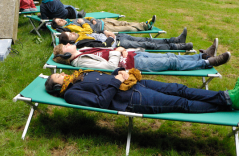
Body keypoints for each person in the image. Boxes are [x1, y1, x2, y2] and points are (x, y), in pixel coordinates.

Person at [45, 68, 239, 114]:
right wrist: (116, 80)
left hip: (135, 84)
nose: (62, 74)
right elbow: (101, 103)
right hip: (131, 98)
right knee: (181, 103)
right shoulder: (71, 93)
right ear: (57, 87)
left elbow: (104, 79)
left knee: (180, 89)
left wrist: (119, 72)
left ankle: (224, 97)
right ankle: (227, 103)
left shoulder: (80, 75)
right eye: (59, 77)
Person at [52, 38, 231, 72]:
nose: (68, 44)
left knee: (171, 58)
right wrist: (117, 51)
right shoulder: (81, 62)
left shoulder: (81, 51)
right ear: (66, 56)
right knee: (171, 63)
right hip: (132, 65)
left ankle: (202, 56)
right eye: (65, 46)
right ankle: (209, 63)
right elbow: (109, 67)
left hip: (132, 56)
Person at [59, 27, 193, 51]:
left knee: (146, 39)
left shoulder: (81, 34)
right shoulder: (81, 43)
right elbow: (103, 45)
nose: (71, 33)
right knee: (148, 44)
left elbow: (96, 31)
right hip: (117, 43)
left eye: (69, 32)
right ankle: (178, 47)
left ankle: (174, 40)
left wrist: (104, 31)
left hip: (118, 37)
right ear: (70, 41)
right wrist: (111, 37)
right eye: (69, 35)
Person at [51, 15, 156, 33]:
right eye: (59, 21)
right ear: (59, 26)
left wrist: (91, 19)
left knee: (124, 22)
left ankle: (145, 24)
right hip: (103, 27)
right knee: (127, 28)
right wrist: (83, 23)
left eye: (60, 19)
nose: (62, 20)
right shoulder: (70, 27)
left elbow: (85, 17)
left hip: (102, 21)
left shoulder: (70, 20)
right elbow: (87, 31)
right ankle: (146, 26)